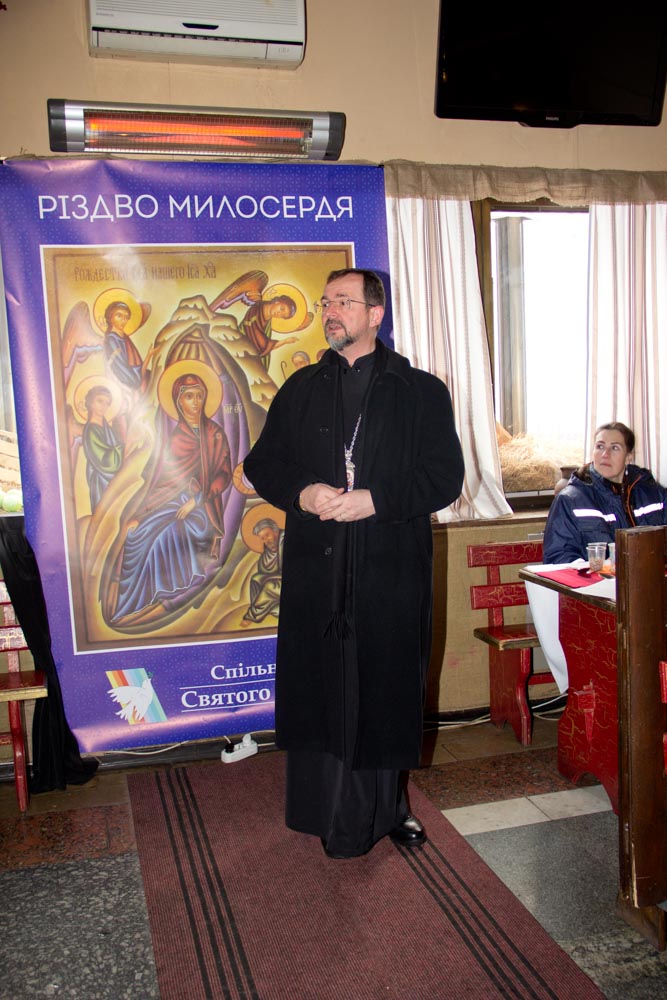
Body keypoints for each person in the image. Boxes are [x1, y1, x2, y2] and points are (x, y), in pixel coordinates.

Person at [243, 268, 464, 859]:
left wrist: (377, 500)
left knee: (383, 688)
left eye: (343, 301)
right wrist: (305, 493)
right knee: (323, 686)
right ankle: (320, 810)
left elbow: (445, 477)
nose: (330, 312)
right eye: (325, 303)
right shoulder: (300, 388)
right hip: (318, 569)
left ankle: (391, 808)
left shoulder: (420, 391)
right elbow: (263, 464)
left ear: (375, 313)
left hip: (388, 567)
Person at [111, 370, 232, 628]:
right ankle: (132, 604)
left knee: (166, 537)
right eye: (189, 397)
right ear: (178, 401)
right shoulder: (175, 437)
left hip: (203, 508)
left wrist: (197, 499)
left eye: (199, 396)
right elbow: (162, 484)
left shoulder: (215, 434)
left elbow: (224, 475)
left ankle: (162, 594)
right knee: (137, 536)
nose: (195, 402)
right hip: (172, 502)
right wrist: (140, 515)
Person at [543, 421, 667, 563]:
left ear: (628, 456)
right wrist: (596, 569)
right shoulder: (570, 500)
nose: (605, 454)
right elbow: (558, 558)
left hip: (653, 576)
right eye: (600, 446)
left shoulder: (655, 494)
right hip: (595, 577)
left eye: (614, 448)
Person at [81, 384, 123, 511]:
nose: (103, 406)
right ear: (90, 402)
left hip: (112, 479)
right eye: (100, 401)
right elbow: (105, 461)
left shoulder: (106, 427)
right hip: (101, 482)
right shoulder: (91, 431)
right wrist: (124, 448)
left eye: (107, 403)